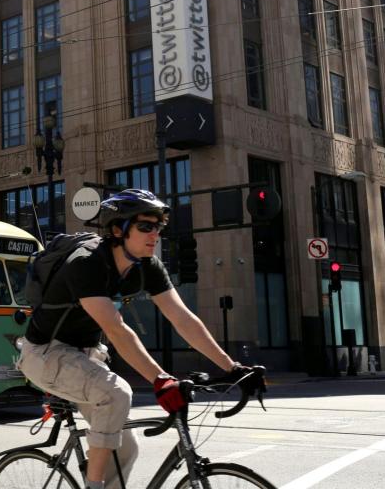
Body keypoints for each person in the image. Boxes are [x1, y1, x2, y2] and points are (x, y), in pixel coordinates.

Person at [18, 189, 254, 489]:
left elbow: (183, 319)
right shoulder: (86, 262)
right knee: (117, 393)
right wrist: (160, 379)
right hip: (45, 353)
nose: (154, 234)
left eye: (158, 227)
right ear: (118, 229)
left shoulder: (147, 266)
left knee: (125, 449)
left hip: (85, 355)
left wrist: (233, 367)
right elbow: (117, 330)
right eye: (145, 226)